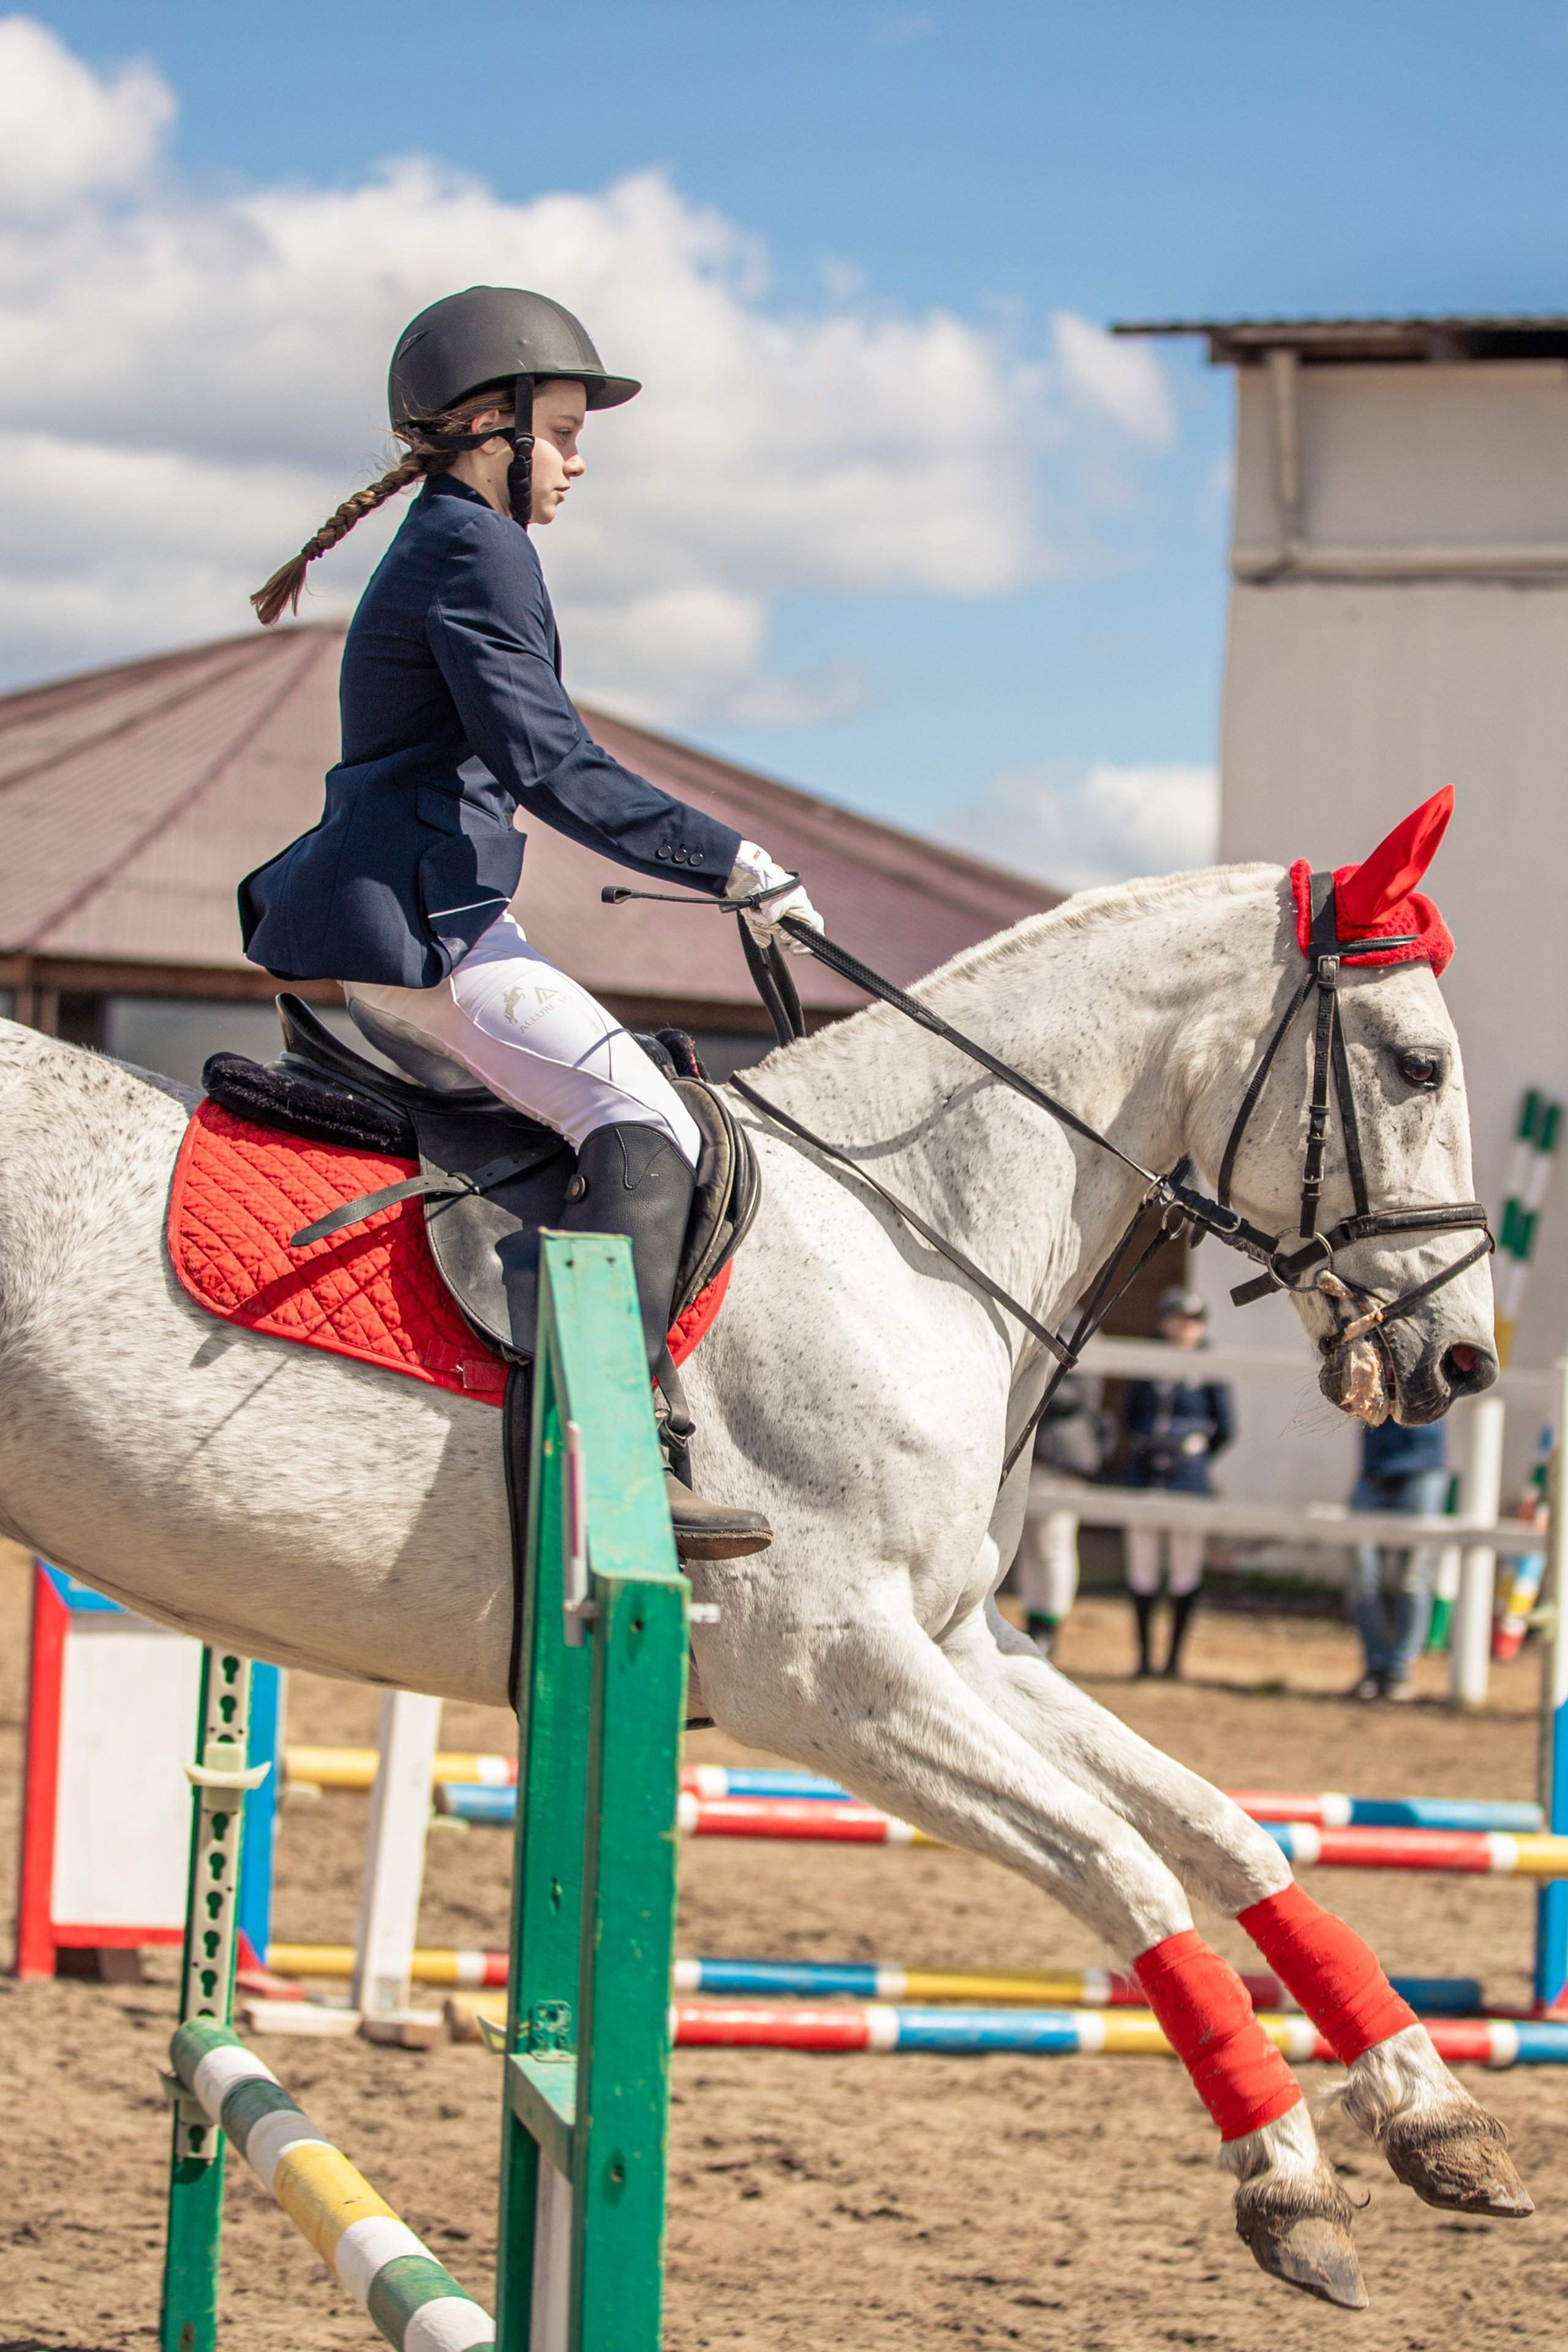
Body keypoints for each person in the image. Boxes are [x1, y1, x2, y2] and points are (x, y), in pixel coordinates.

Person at [239, 285, 825, 1561]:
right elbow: (550, 762)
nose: (575, 461)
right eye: (559, 433)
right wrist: (731, 864)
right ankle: (613, 1457)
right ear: (484, 431)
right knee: (646, 1119)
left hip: (427, 916)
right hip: (424, 930)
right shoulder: (475, 547)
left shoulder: (454, 540)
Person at [1118, 1286, 1233, 1679]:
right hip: (1146, 1473)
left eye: (1193, 1321)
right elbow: (1131, 1415)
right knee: (1143, 1566)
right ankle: (1144, 1658)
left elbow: (1226, 1428)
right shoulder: (1150, 1360)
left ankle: (1173, 1660)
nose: (1185, 1328)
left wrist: (1193, 1457)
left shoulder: (1210, 1365)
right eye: (1177, 1319)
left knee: (1186, 1566)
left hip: (1189, 1477)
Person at [1347, 1418, 1449, 1701]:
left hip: (1422, 1470)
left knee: (1413, 1580)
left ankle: (1399, 1669)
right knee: (1362, 1577)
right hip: (1374, 1472)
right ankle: (1375, 1666)